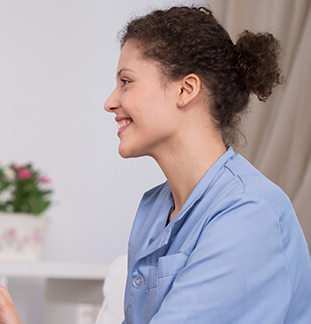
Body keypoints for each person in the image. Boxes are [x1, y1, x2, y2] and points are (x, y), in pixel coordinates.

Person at [103, 6, 311, 323]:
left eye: (126, 81)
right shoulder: (153, 209)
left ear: (185, 90)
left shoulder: (250, 213)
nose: (110, 102)